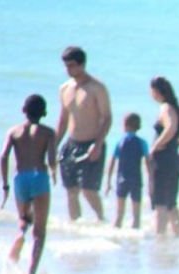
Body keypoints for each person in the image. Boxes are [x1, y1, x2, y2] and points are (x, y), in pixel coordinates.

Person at [0, 94, 56, 274]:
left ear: (24, 110)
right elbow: (51, 160)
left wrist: (5, 185)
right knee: (40, 231)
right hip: (39, 177)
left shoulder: (13, 131)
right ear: (44, 113)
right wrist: (54, 171)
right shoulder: (48, 133)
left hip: (20, 179)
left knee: (24, 219)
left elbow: (3, 157)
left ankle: (21, 233)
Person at [56, 46, 112, 221]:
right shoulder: (65, 88)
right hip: (71, 143)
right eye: (66, 66)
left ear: (82, 65)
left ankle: (102, 220)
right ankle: (75, 225)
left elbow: (107, 117)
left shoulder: (97, 87)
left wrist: (98, 144)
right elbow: (63, 120)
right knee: (71, 191)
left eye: (72, 65)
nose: (68, 69)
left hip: (92, 143)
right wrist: (53, 145)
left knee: (89, 190)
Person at [149, 76, 179, 236]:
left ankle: (160, 238)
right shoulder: (178, 108)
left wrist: (156, 145)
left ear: (156, 91)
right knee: (171, 203)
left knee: (160, 203)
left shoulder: (166, 108)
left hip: (163, 159)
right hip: (174, 157)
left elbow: (171, 127)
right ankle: (177, 236)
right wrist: (178, 143)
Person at [105, 113, 151, 229]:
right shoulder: (142, 142)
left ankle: (116, 234)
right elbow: (148, 162)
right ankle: (136, 235)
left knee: (119, 214)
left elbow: (112, 162)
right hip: (136, 179)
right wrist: (151, 180)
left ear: (125, 125)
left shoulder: (120, 142)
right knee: (136, 216)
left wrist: (108, 181)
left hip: (122, 179)